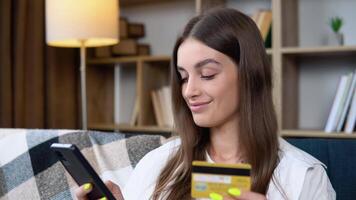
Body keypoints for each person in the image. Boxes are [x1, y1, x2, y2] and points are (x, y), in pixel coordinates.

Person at [76, 8, 336, 200]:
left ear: (249, 74)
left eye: (208, 74)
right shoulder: (158, 165)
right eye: (183, 77)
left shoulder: (303, 177)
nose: (189, 91)